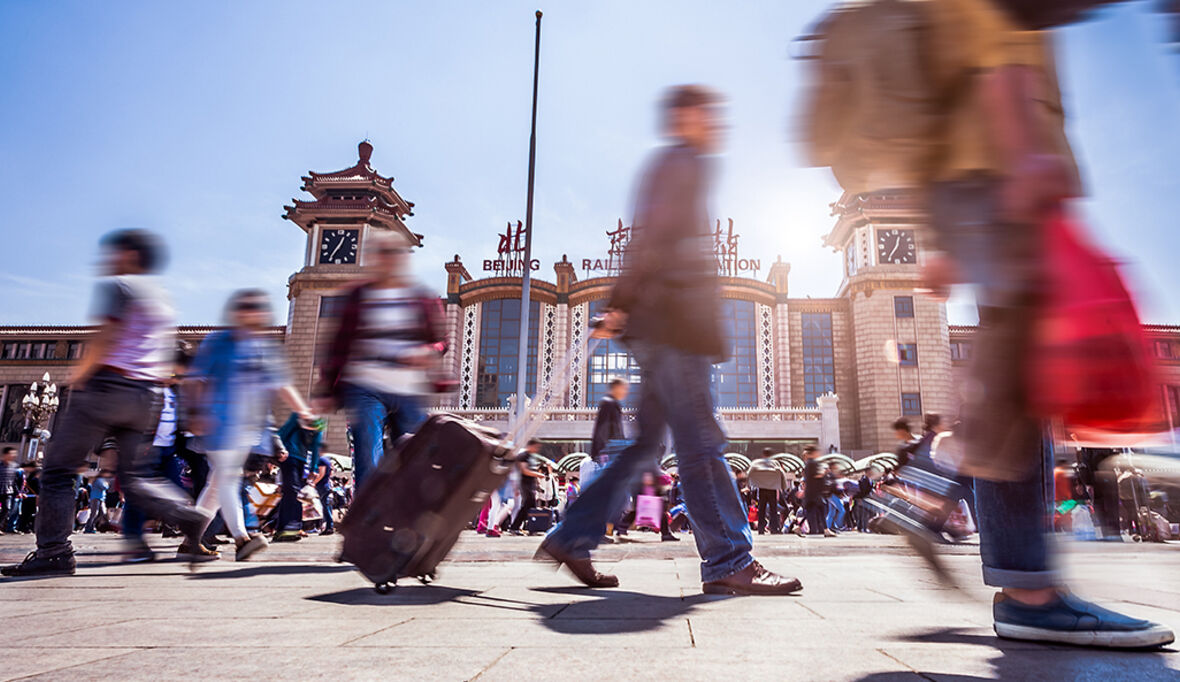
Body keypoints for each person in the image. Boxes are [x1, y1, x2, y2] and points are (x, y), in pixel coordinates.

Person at [813, 0, 1173, 647]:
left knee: (1018, 364)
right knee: (1019, 365)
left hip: (968, 170)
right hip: (996, 161)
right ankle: (1008, 570)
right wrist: (1023, 148)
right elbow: (994, 40)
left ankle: (938, 502)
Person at [536, 86, 801, 595]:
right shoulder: (682, 165)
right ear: (686, 117)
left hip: (663, 325)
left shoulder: (682, 166)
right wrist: (621, 301)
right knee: (701, 442)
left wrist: (624, 304)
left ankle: (573, 535)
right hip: (674, 326)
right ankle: (729, 559)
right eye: (710, 113)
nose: (718, 123)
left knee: (645, 449)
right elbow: (650, 240)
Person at [3, 230, 212, 578]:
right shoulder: (163, 302)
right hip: (146, 397)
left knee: (57, 471)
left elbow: (107, 336)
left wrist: (80, 374)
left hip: (108, 386)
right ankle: (188, 516)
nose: (109, 258)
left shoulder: (121, 286)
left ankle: (53, 551)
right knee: (133, 479)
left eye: (114, 251)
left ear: (131, 254)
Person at [186, 289, 316, 563]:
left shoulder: (264, 348)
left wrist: (303, 411)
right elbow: (195, 379)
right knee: (228, 477)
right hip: (218, 424)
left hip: (246, 430)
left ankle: (191, 539)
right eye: (246, 307)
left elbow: (282, 384)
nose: (252, 313)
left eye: (257, 308)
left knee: (216, 486)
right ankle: (242, 539)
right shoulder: (218, 342)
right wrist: (196, 412)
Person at [315, 232, 448, 487]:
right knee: (368, 452)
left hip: (408, 388)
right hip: (365, 386)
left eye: (394, 253)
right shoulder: (357, 295)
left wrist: (430, 351)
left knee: (415, 456)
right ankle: (366, 519)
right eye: (382, 253)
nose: (388, 260)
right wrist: (326, 388)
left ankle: (408, 519)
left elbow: (441, 339)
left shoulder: (422, 297)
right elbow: (338, 344)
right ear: (373, 258)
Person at [122, 344, 194, 562]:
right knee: (137, 497)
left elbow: (181, 419)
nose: (177, 377)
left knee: (175, 491)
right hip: (143, 449)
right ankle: (134, 542)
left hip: (168, 450)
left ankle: (187, 532)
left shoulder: (175, 392)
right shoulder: (145, 388)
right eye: (174, 372)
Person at [274, 413, 324, 542]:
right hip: (288, 456)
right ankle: (290, 527)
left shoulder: (319, 422)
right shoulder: (298, 416)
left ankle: (284, 529)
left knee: (291, 492)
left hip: (300, 460)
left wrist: (314, 468)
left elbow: (315, 446)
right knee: (293, 491)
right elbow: (282, 433)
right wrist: (278, 450)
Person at [509, 439, 545, 535]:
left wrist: (537, 483)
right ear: (530, 446)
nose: (537, 449)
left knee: (531, 506)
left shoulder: (531, 457)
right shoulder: (523, 456)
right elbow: (524, 470)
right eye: (536, 447)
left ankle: (533, 527)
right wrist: (538, 475)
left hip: (531, 484)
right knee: (527, 505)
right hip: (524, 484)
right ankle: (515, 527)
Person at [796, 446, 833, 538]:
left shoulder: (808, 464)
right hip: (814, 493)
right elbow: (816, 476)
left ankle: (798, 527)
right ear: (813, 453)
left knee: (811, 511)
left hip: (811, 493)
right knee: (819, 510)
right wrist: (825, 472)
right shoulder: (812, 463)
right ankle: (826, 530)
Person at [749, 448, 786, 534]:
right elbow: (781, 473)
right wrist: (783, 486)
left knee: (761, 509)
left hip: (762, 488)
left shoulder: (758, 463)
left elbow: (751, 472)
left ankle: (761, 529)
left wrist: (750, 483)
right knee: (773, 510)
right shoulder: (774, 463)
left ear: (763, 455)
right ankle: (774, 529)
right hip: (772, 489)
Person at [310, 454, 334, 536]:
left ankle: (329, 527)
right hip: (326, 485)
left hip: (322, 486)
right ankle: (329, 526)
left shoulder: (321, 460)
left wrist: (314, 483)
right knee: (327, 506)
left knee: (325, 507)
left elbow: (321, 474)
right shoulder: (327, 460)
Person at [0, 447, 18, 535]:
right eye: (12, 453)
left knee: (7, 508)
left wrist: (17, 492)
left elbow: (15, 480)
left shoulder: (14, 466)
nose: (14, 455)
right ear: (5, 455)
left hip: (8, 491)